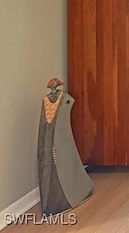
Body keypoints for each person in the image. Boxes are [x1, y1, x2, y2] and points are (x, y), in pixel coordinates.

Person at [38, 78, 94, 215]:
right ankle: (59, 200)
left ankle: (76, 190)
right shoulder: (47, 101)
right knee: (52, 161)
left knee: (64, 157)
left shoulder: (64, 99)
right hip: (51, 144)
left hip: (60, 141)